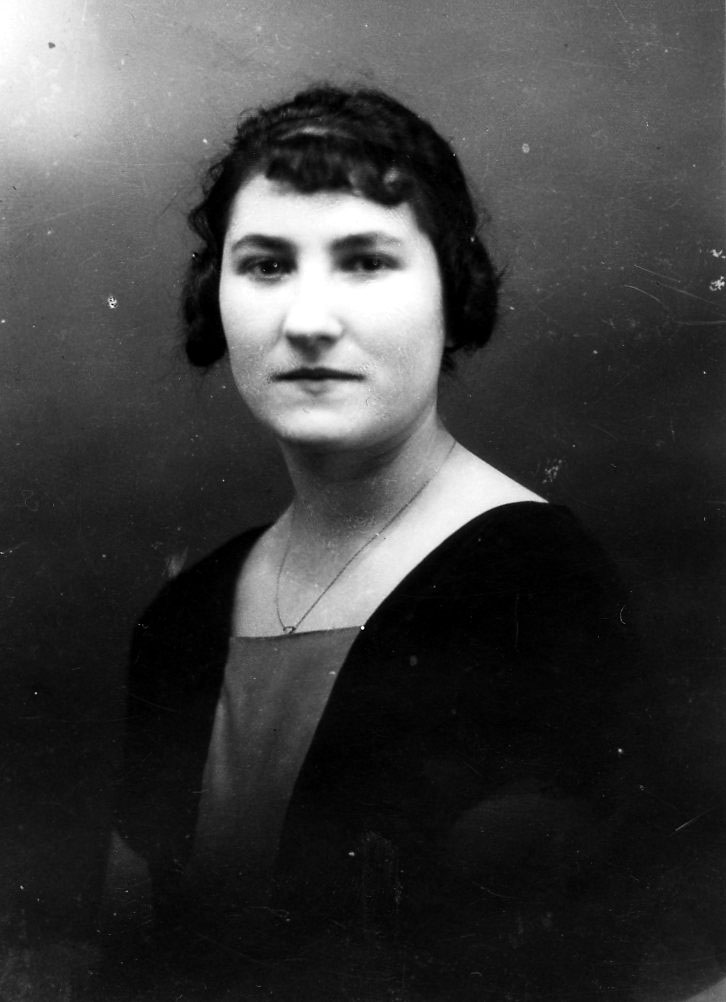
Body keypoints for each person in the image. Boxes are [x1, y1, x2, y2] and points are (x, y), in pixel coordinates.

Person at [102, 84, 653, 1000]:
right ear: (215, 296)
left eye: (364, 261)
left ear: (452, 292)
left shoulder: (537, 589)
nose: (308, 321)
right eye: (267, 265)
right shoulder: (185, 614)